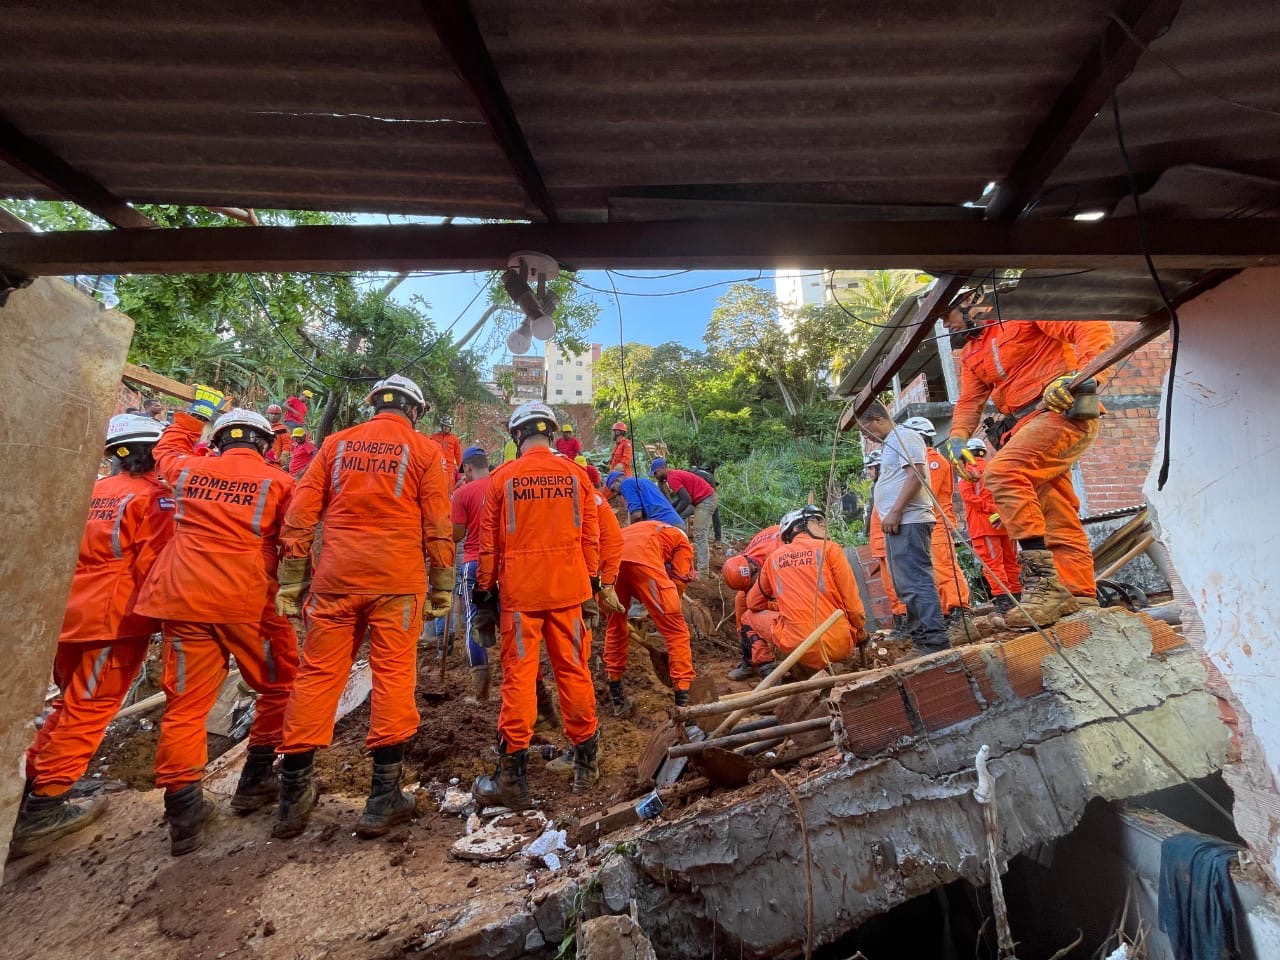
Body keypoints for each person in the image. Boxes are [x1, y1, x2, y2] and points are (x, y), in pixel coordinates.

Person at [271, 374, 453, 841]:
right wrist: (442, 585)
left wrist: (292, 579)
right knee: (394, 676)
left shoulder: (335, 445)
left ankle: (292, 799)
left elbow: (301, 512)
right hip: (398, 582)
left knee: (317, 676)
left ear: (373, 404)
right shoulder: (426, 452)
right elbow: (437, 522)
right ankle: (382, 800)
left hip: (336, 578)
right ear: (414, 410)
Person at [134, 394, 301, 855]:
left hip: (183, 599)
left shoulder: (188, 469)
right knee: (280, 686)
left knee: (185, 705)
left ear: (219, 440)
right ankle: (256, 777)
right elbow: (295, 540)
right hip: (248, 602)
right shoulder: (279, 483)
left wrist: (195, 412)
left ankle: (184, 813)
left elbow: (165, 449)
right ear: (266, 444)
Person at [12, 415, 175, 856]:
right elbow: (154, 566)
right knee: (89, 709)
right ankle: (45, 810)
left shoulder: (90, 492)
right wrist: (165, 617)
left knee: (67, 703)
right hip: (113, 619)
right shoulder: (154, 500)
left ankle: (29, 786)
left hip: (66, 613)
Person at [940, 287, 1114, 627]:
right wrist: (958, 437)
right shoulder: (972, 353)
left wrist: (1082, 377)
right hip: (1023, 427)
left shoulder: (1022, 309)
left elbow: (1090, 327)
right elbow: (969, 402)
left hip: (1059, 412)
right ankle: (1078, 596)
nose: (947, 326)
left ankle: (1043, 585)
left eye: (948, 316)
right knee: (1056, 510)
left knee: (1002, 473)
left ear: (970, 300)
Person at [471, 402, 605, 807]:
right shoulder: (577, 476)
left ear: (517, 436)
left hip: (521, 597)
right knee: (574, 672)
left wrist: (484, 594)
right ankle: (586, 765)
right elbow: (591, 538)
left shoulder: (503, 478)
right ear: (550, 434)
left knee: (519, 679)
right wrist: (592, 588)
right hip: (568, 592)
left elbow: (488, 545)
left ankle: (512, 780)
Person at [855, 402, 951, 656]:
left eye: (866, 431)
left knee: (916, 582)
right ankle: (922, 640)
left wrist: (895, 511)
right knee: (905, 585)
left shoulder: (904, 436)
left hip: (909, 520)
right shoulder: (892, 442)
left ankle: (933, 641)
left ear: (877, 419)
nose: (867, 437)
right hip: (901, 523)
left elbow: (916, 475)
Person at [744, 506, 867, 677]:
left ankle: (765, 666)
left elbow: (752, 603)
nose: (822, 525)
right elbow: (853, 606)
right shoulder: (831, 549)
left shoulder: (774, 558)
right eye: (816, 520)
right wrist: (860, 632)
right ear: (796, 527)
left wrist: (780, 606)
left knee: (747, 616)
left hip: (799, 648)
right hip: (840, 644)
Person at [604, 520, 697, 712]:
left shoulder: (644, 528)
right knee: (676, 632)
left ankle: (618, 700)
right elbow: (679, 580)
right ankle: (683, 704)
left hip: (610, 565)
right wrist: (665, 614)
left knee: (615, 627)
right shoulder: (682, 541)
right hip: (643, 560)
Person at [903, 416, 975, 644]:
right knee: (935, 572)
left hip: (937, 525)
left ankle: (960, 616)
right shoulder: (926, 461)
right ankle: (949, 616)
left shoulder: (933, 462)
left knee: (945, 570)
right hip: (929, 525)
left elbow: (922, 491)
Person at [956, 438, 1022, 618]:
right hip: (1006, 524)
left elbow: (969, 497)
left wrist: (991, 509)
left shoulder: (967, 471)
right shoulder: (996, 468)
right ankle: (1018, 598)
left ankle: (1005, 604)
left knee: (994, 565)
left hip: (984, 526)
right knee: (1011, 562)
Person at [451, 446, 493, 701]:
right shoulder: (504, 485)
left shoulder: (462, 492)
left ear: (467, 467)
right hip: (504, 564)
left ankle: (481, 694)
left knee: (473, 622)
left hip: (474, 563)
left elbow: (456, 535)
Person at [721, 523, 782, 680]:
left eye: (753, 584)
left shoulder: (778, 553)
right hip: (766, 571)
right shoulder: (747, 558)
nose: (752, 590)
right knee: (742, 605)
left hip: (787, 574)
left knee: (773, 606)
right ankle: (750, 659)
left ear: (755, 568)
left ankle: (778, 655)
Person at [864, 451, 908, 641]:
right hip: (881, 546)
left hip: (888, 543)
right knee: (890, 588)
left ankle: (906, 623)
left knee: (898, 586)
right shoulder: (878, 489)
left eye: (871, 468)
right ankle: (901, 622)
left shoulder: (888, 488)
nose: (868, 472)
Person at [651, 458, 719, 573]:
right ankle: (683, 547)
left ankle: (703, 571)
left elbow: (685, 499)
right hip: (697, 500)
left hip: (705, 499)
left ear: (662, 468)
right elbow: (682, 498)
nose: (655, 476)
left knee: (699, 533)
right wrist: (672, 508)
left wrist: (673, 514)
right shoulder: (673, 476)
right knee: (680, 518)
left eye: (655, 473)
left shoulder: (672, 478)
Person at [605, 470, 685, 529]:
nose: (616, 493)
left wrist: (630, 531)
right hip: (677, 523)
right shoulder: (644, 481)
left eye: (613, 489)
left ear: (618, 480)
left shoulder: (626, 484)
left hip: (665, 525)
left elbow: (637, 515)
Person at [429, 414, 464, 488]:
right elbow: (427, 450)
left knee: (449, 488)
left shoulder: (454, 439)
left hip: (449, 468)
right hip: (435, 465)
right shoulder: (433, 437)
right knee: (434, 486)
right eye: (445, 426)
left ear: (450, 427)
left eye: (448, 426)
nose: (446, 428)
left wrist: (461, 471)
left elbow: (458, 455)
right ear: (441, 426)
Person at [690, 465, 722, 541]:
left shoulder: (692, 473)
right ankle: (718, 539)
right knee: (715, 511)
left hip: (704, 489)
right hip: (711, 488)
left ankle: (699, 535)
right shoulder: (707, 472)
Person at [264, 403, 292, 470]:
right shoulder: (264, 427)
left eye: (276, 414)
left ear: (280, 416)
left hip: (275, 461)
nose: (273, 416)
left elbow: (287, 444)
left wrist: (284, 456)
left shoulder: (282, 429)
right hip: (263, 459)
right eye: (271, 413)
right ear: (268, 414)